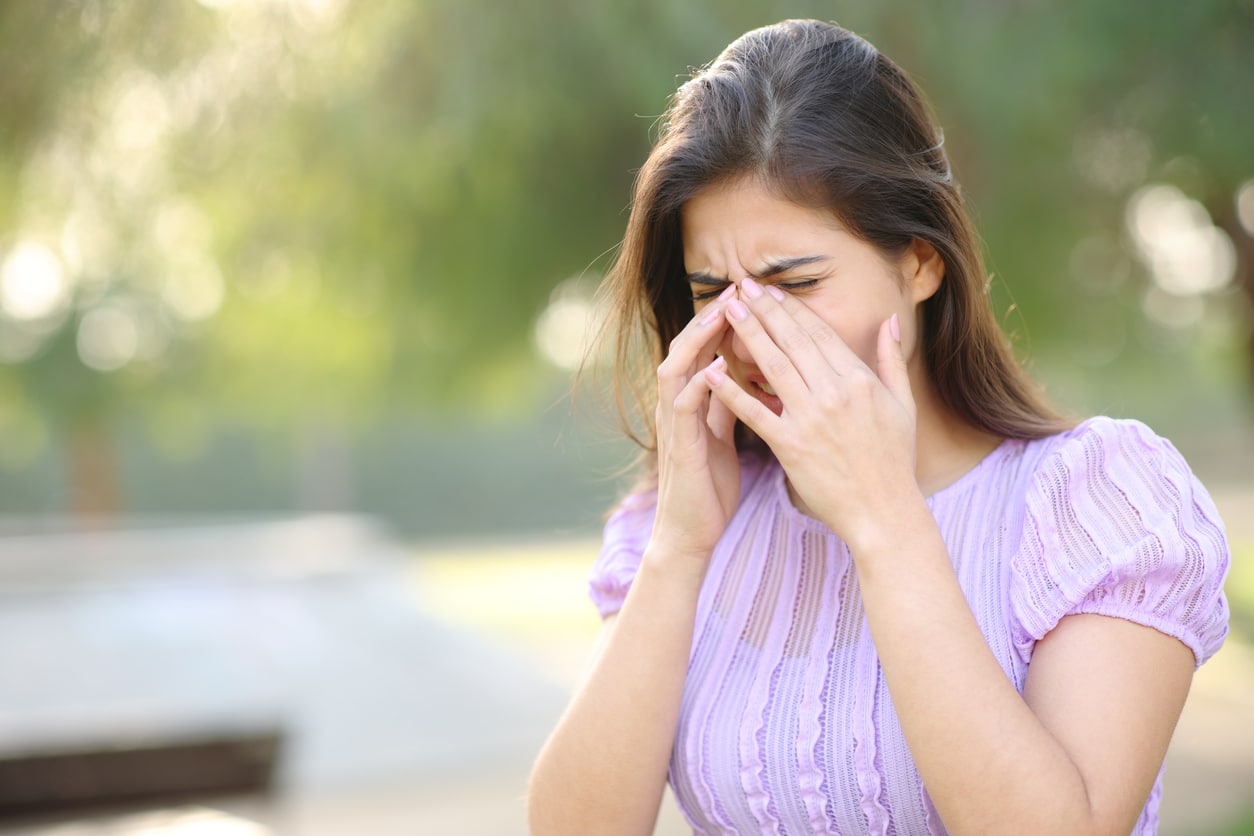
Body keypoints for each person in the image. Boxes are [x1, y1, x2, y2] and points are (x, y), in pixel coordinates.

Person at [527, 19, 1230, 836]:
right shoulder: (688, 522)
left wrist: (884, 520)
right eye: (713, 291)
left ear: (920, 264)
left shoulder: (1096, 504)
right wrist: (679, 547)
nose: (750, 332)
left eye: (795, 282)